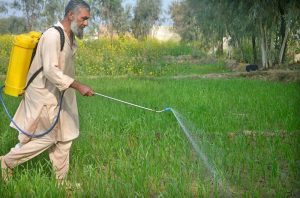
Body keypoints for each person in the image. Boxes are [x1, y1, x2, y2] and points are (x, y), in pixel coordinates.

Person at [1, 0, 93, 184]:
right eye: (84, 18)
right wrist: (79, 86)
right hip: (43, 97)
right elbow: (51, 71)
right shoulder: (53, 36)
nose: (86, 23)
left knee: (65, 138)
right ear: (71, 15)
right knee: (49, 138)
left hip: (58, 95)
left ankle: (61, 183)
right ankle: (5, 162)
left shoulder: (69, 36)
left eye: (88, 19)